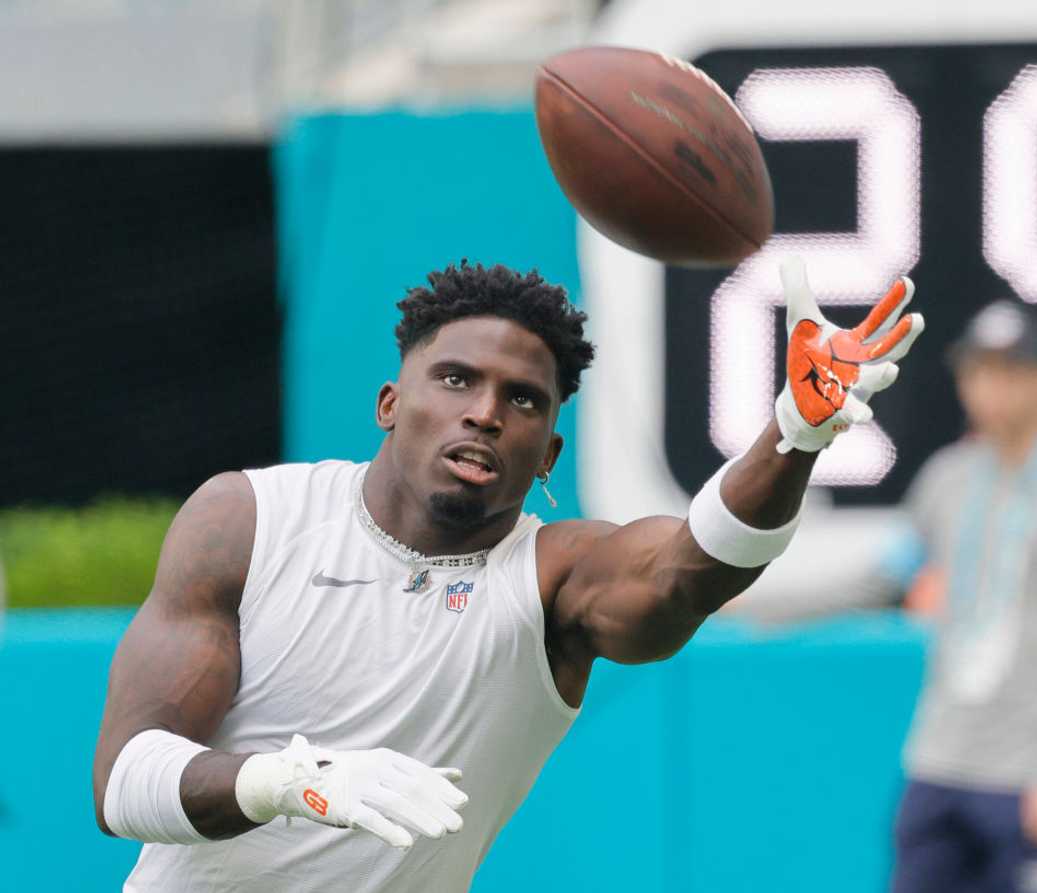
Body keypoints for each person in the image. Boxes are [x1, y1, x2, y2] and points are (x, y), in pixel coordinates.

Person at [93, 257, 923, 892]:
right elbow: (124, 782)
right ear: (389, 402)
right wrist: (295, 780)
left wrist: (794, 432)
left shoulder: (554, 577)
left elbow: (684, 574)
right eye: (456, 379)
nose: (486, 411)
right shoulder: (249, 518)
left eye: (524, 400)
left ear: (548, 453)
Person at [737, 299, 1037, 893]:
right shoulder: (948, 480)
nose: (991, 388)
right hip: (939, 760)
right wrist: (750, 597)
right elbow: (882, 580)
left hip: (1024, 775)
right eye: (978, 370)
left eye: (1010, 370)